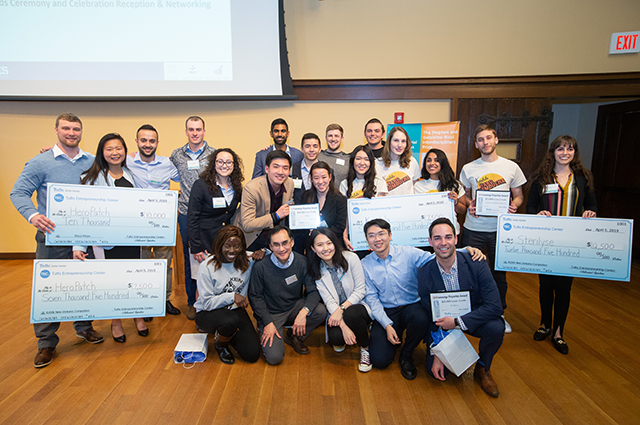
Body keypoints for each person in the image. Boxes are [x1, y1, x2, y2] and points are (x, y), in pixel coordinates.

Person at [10, 113, 104, 368]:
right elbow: (18, 192)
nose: (71, 133)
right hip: (52, 238)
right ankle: (46, 343)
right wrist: (33, 215)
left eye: (76, 129)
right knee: (49, 290)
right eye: (66, 128)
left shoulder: (93, 162)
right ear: (56, 130)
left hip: (84, 237)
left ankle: (84, 327)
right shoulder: (39, 162)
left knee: (84, 286)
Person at [361, 218, 485, 380]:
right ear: (367, 240)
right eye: (371, 235)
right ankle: (393, 335)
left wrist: (466, 249)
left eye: (381, 234)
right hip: (387, 310)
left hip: (413, 307)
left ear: (390, 235)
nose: (377, 239)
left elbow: (437, 256)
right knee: (379, 360)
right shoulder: (365, 264)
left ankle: (407, 354)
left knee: (421, 317)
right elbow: (372, 298)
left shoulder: (408, 253)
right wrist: (387, 325)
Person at [72, 133, 148, 342]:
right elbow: (83, 214)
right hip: (106, 243)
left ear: (125, 151)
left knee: (134, 279)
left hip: (132, 240)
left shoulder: (133, 175)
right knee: (113, 282)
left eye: (118, 148)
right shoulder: (91, 178)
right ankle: (116, 322)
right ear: (102, 153)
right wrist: (78, 245)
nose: (115, 153)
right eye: (109, 149)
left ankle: (138, 316)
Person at [417, 218, 504, 397]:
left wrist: (457, 322)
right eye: (438, 238)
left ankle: (483, 368)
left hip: (473, 317)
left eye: (448, 237)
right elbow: (430, 314)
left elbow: (495, 306)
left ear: (456, 239)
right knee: (439, 373)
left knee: (496, 327)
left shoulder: (476, 262)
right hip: (443, 325)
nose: (443, 243)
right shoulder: (424, 272)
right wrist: (438, 351)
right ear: (430, 242)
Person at [526, 135, 597, 355]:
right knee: (545, 286)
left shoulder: (583, 177)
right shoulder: (541, 178)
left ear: (575, 152)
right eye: (560, 149)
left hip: (570, 242)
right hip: (546, 241)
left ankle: (558, 332)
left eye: (569, 149)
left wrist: (590, 212)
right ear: (552, 152)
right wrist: (539, 213)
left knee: (564, 288)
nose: (564, 153)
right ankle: (544, 324)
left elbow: (591, 204)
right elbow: (530, 208)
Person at [460, 124, 527, 333]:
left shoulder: (511, 167)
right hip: (473, 228)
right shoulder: (469, 168)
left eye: (488, 138)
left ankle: (499, 313)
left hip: (501, 230)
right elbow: (462, 195)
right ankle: (469, 313)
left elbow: (519, 195)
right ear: (476, 144)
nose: (485, 142)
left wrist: (514, 205)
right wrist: (470, 202)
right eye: (480, 139)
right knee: (470, 272)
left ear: (496, 140)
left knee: (499, 274)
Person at [248, 226, 327, 365]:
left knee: (320, 311)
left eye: (285, 243)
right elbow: (255, 297)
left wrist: (303, 313)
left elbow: (313, 291)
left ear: (292, 242)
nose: (282, 248)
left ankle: (293, 336)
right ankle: (265, 328)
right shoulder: (260, 266)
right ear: (270, 247)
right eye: (276, 245)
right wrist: (267, 322)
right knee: (274, 358)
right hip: (271, 313)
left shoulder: (302, 262)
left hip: (294, 308)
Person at [126, 124, 181, 316]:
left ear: (157, 143)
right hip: (138, 223)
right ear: (137, 142)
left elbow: (187, 177)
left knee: (164, 264)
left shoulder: (167, 163)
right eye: (143, 140)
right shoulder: (127, 161)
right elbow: (100, 159)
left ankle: (164, 300)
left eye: (151, 141)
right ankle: (144, 303)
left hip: (162, 223)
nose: (147, 144)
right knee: (141, 264)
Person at [194, 226, 263, 364]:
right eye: (227, 246)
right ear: (220, 245)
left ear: (242, 246)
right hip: (207, 312)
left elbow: (272, 253)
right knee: (229, 321)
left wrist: (263, 251)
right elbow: (206, 303)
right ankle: (221, 345)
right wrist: (232, 297)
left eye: (237, 246)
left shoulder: (247, 260)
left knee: (252, 354)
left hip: (234, 310)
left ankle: (228, 334)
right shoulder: (207, 266)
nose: (232, 251)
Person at [307, 228, 373, 372]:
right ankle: (356, 328)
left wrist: (342, 309)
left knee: (352, 314)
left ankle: (365, 348)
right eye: (319, 245)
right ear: (313, 248)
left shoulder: (351, 258)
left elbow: (361, 291)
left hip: (358, 306)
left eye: (329, 243)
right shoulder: (317, 269)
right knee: (336, 339)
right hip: (337, 311)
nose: (325, 248)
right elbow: (328, 301)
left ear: (335, 243)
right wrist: (343, 326)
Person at [170, 116, 216, 320]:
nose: (195, 133)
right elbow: (162, 170)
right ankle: (192, 301)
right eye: (191, 129)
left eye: (198, 129)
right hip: (186, 213)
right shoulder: (176, 155)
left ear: (204, 131)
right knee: (191, 258)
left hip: (208, 213)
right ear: (186, 131)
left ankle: (212, 298)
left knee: (212, 256)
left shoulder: (214, 154)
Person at [188, 148, 243, 265]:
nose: (224, 165)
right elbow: (192, 218)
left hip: (225, 246)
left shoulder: (237, 187)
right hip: (204, 244)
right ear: (214, 164)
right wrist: (196, 246)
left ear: (234, 165)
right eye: (220, 161)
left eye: (229, 162)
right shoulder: (201, 185)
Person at [238, 150, 295, 251]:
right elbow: (247, 224)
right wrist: (276, 216)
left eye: (285, 168)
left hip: (276, 240)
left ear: (289, 171)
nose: (280, 172)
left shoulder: (289, 183)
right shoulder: (251, 188)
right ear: (267, 169)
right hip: (253, 240)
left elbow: (289, 207)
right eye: (276, 167)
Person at [339, 145, 388, 253]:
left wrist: (375, 239)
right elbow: (345, 214)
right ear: (352, 161)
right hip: (354, 237)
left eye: (366, 159)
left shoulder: (379, 182)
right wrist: (345, 236)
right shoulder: (344, 184)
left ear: (371, 162)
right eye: (358, 158)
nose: (362, 163)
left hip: (376, 238)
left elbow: (381, 214)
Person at [295, 161, 348, 253]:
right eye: (316, 178)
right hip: (311, 247)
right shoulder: (306, 196)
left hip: (332, 246)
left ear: (330, 177)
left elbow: (340, 227)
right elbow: (301, 223)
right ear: (311, 179)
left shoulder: (340, 199)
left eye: (324, 177)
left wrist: (319, 234)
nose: (320, 182)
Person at [414, 148, 467, 235]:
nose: (432, 163)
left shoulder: (454, 185)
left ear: (443, 163)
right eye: (429, 160)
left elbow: (462, 210)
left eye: (437, 160)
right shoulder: (418, 186)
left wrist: (455, 202)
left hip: (448, 233)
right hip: (425, 233)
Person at [376, 126, 420, 196]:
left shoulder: (412, 161)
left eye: (403, 141)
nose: (400, 145)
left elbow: (417, 188)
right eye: (396, 140)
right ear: (389, 142)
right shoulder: (378, 164)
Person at [290, 133, 321, 204]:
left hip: (321, 213)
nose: (311, 150)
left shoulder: (327, 171)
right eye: (307, 146)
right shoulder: (292, 169)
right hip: (298, 212)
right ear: (302, 149)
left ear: (320, 149)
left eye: (315, 146)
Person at [318, 123, 350, 190]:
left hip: (341, 198)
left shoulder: (348, 159)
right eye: (330, 136)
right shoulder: (318, 157)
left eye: (336, 136)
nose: (333, 139)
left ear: (342, 138)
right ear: (326, 138)